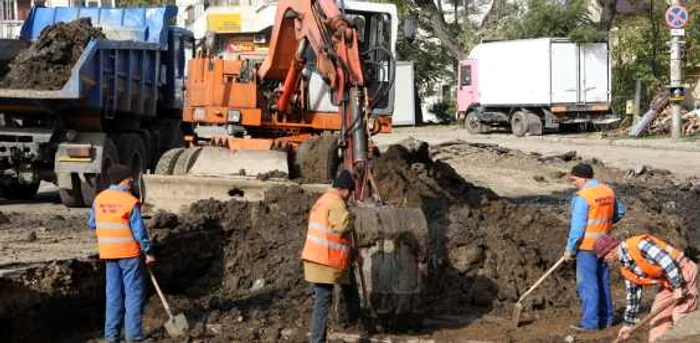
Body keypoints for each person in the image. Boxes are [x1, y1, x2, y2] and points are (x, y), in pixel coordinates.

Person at [88, 164, 155, 343]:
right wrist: (148, 252)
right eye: (129, 180)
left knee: (113, 295)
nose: (131, 183)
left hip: (109, 253)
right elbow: (140, 232)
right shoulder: (129, 201)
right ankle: (133, 336)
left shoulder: (99, 199)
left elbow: (92, 223)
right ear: (123, 180)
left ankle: (111, 336)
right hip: (129, 254)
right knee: (133, 294)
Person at [595, 233, 698, 342]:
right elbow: (633, 296)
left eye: (603, 258)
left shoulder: (638, 245)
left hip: (683, 271)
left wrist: (678, 286)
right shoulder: (626, 267)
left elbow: (667, 262)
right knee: (657, 318)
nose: (605, 261)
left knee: (680, 314)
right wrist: (628, 324)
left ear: (609, 252)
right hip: (669, 282)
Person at [301, 169, 361, 343]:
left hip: (319, 258)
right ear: (346, 190)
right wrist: (351, 217)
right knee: (322, 302)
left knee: (348, 287)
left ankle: (357, 318)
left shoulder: (323, 200)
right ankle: (317, 340)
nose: (350, 195)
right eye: (350, 191)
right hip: (326, 260)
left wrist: (350, 253)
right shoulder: (336, 202)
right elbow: (342, 226)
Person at [564, 163, 625, 331]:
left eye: (575, 179)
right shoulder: (607, 191)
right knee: (603, 281)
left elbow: (577, 229)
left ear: (583, 178)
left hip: (587, 247)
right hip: (604, 244)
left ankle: (590, 323)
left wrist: (570, 249)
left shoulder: (583, 196)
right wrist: (605, 225)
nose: (573, 182)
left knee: (588, 284)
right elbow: (620, 212)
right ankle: (607, 319)